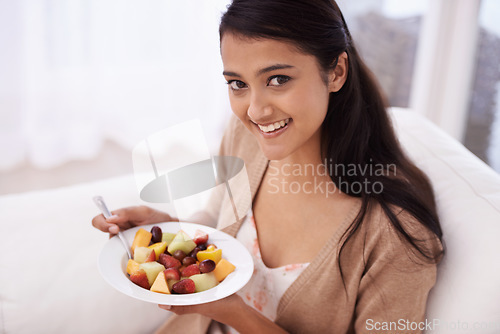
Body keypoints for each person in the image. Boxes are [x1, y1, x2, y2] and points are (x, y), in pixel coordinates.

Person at [92, 0, 444, 333]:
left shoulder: (396, 237)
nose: (256, 111)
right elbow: (218, 224)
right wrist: (168, 231)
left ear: (336, 72)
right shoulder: (247, 139)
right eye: (238, 84)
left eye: (277, 79)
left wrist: (235, 313)